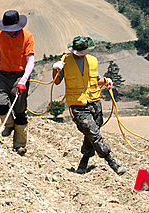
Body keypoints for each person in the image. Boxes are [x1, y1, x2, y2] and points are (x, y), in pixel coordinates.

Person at [52, 36, 126, 176]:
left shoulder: (92, 60)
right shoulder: (65, 62)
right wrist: (55, 69)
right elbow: (56, 82)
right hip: (78, 105)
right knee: (92, 132)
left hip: (95, 102)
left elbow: (97, 80)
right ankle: (111, 161)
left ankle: (84, 160)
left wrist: (106, 81)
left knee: (92, 133)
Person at [0, 10, 35, 156]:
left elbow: (30, 61)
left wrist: (24, 80)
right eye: (7, 30)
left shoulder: (27, 36)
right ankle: (9, 125)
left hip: (19, 75)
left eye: (12, 30)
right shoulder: (0, 33)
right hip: (3, 75)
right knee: (0, 105)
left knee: (19, 112)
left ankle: (19, 145)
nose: (9, 33)